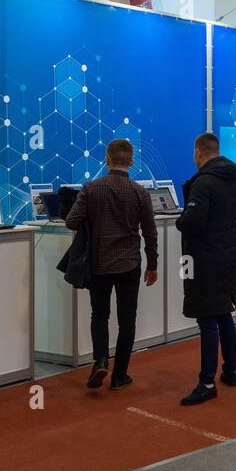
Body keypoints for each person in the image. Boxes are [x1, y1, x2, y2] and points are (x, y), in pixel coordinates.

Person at [66, 138, 159, 390]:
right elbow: (150, 233)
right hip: (129, 264)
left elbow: (71, 222)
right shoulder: (140, 192)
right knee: (127, 320)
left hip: (99, 263)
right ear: (131, 161)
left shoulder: (91, 188)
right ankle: (120, 375)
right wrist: (153, 265)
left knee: (99, 314)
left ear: (107, 160)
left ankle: (100, 362)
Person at [176, 133, 236, 406]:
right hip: (228, 253)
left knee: (206, 318)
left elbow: (193, 220)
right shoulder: (234, 178)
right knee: (224, 314)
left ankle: (206, 382)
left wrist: (181, 221)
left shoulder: (203, 183)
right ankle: (230, 371)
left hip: (203, 257)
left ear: (198, 152)